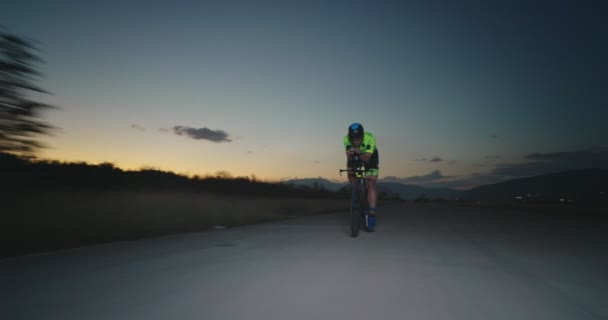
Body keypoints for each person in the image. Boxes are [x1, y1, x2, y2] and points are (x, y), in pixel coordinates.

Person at [344, 123, 379, 232]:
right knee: (351, 172)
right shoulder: (346, 139)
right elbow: (349, 158)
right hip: (356, 157)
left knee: (371, 182)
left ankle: (372, 214)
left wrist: (359, 152)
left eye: (358, 138)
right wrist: (351, 171)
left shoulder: (370, 138)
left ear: (363, 136)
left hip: (370, 157)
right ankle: (356, 194)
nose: (355, 141)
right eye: (353, 139)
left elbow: (367, 159)